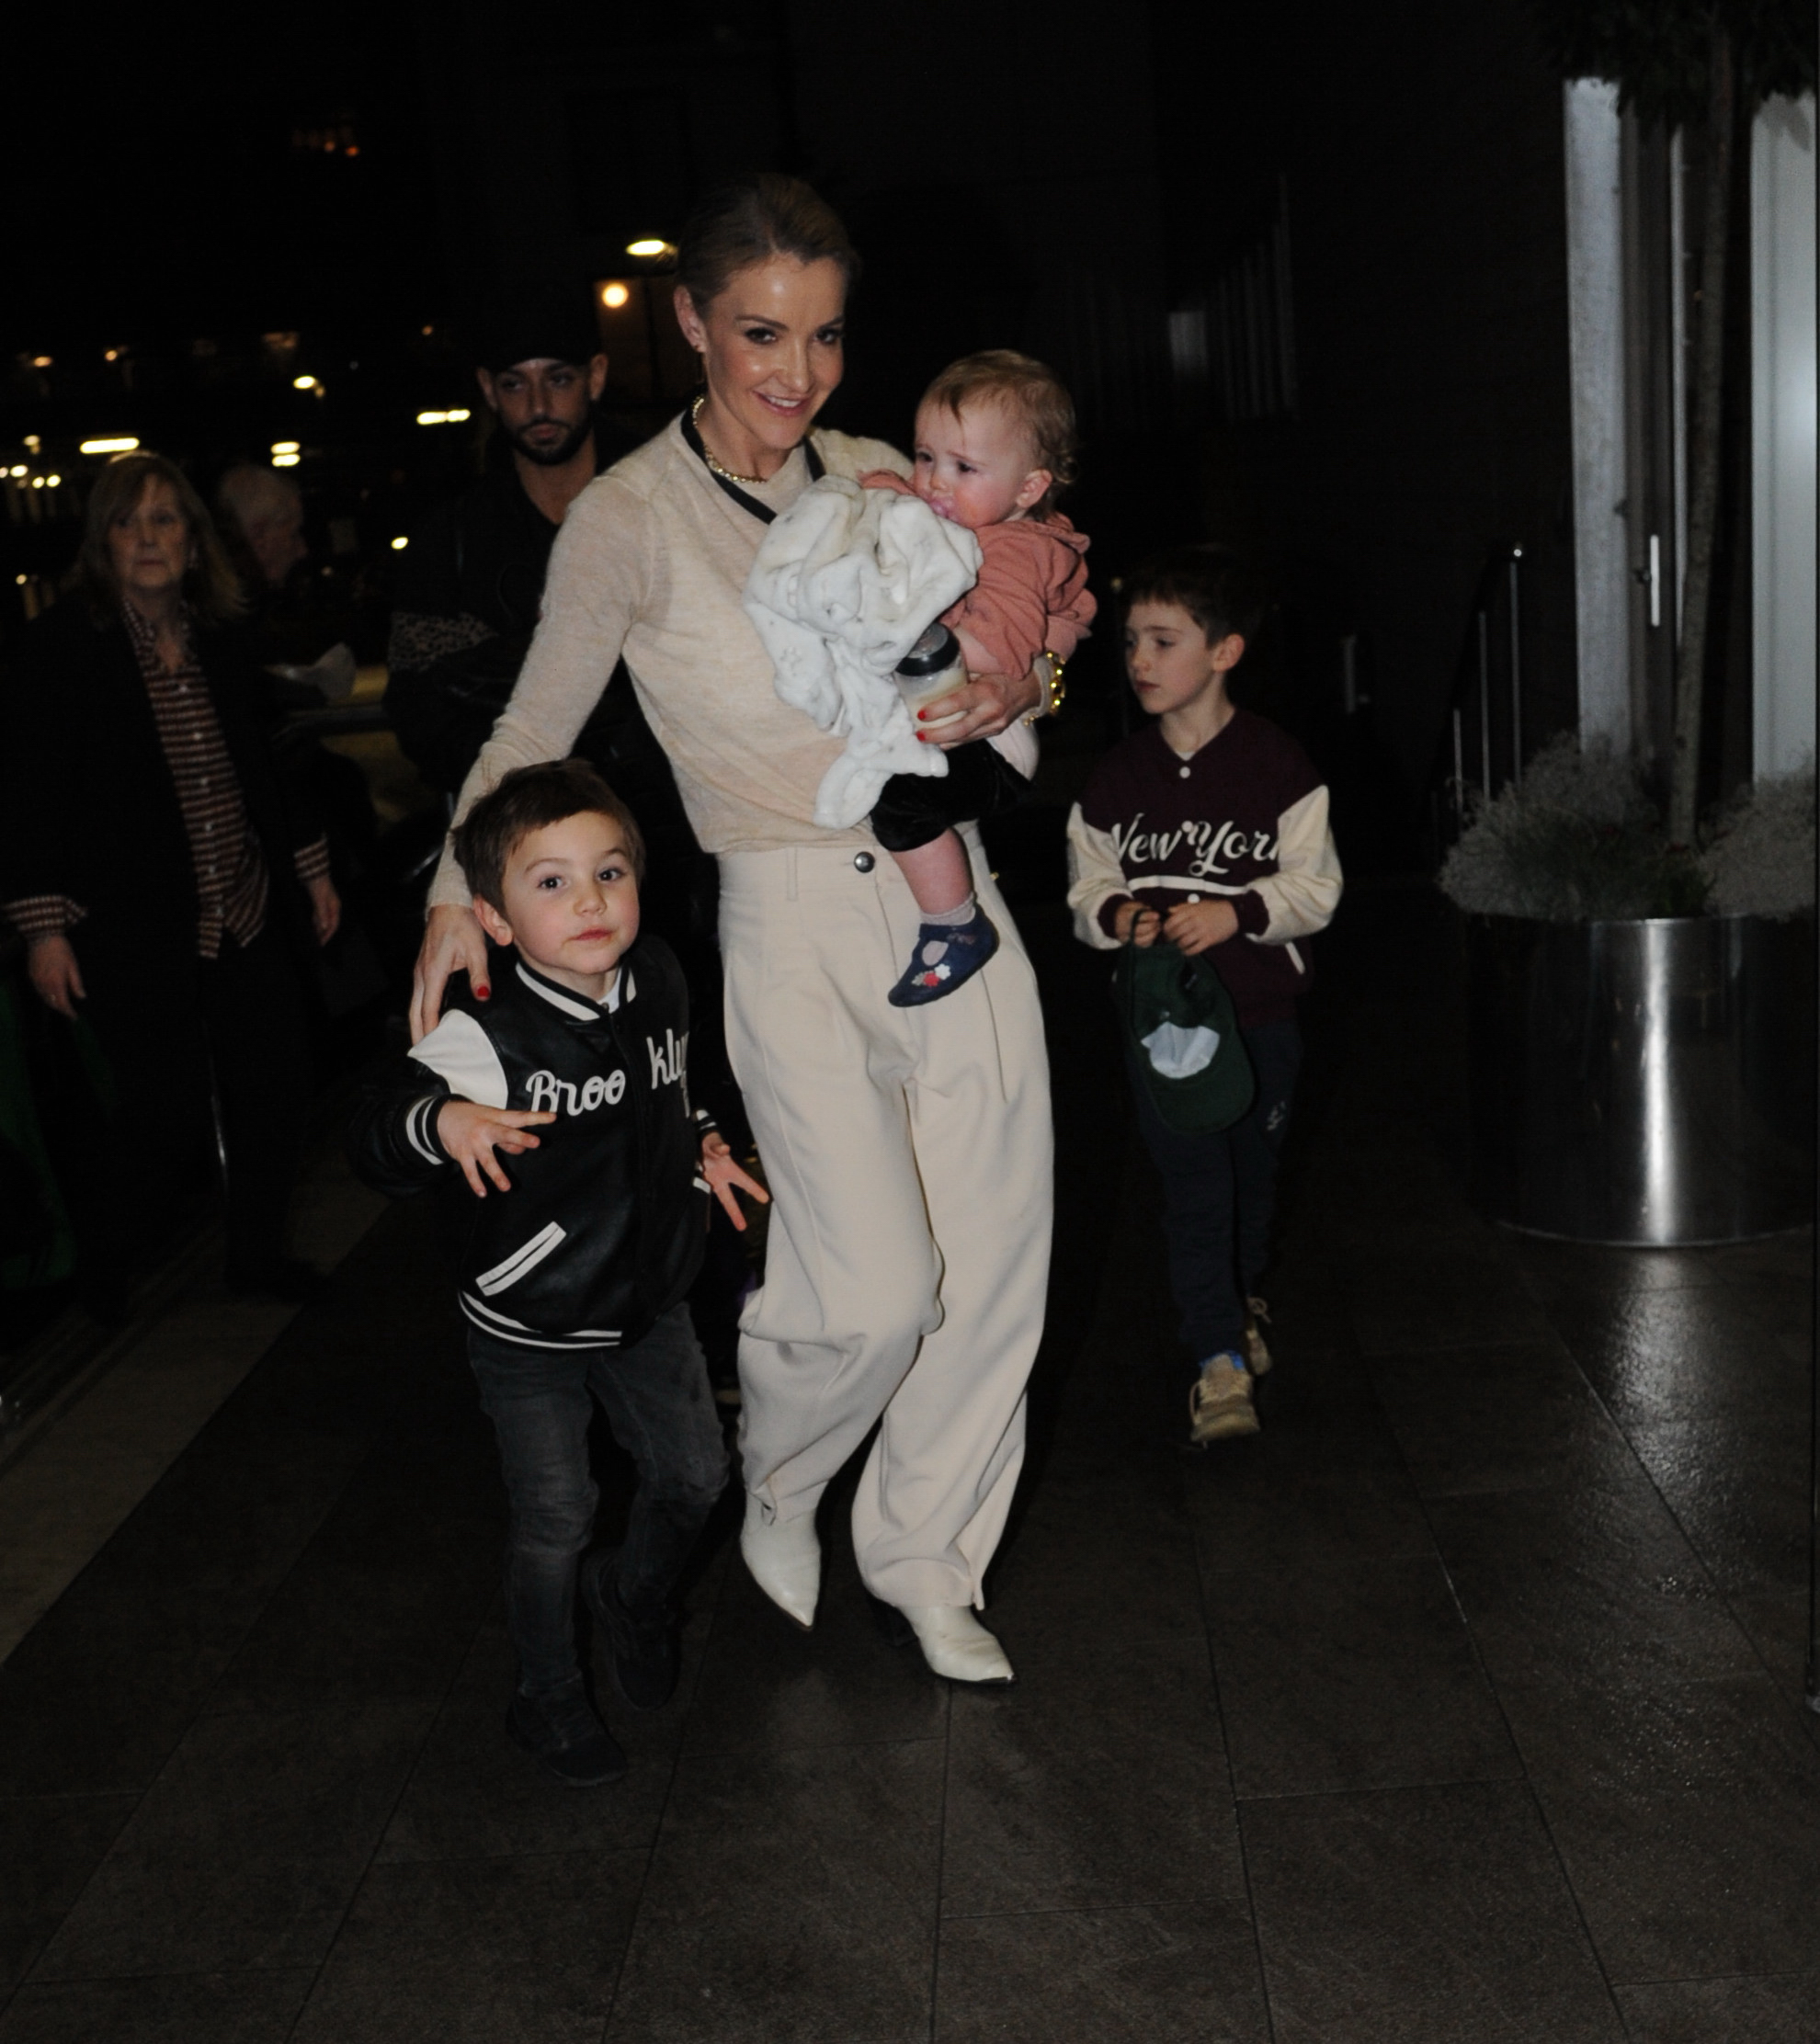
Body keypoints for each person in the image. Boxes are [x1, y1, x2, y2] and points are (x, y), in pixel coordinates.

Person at [411, 173, 1054, 1687]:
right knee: (879, 1286)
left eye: (825, 335)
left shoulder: (888, 471)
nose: (798, 369)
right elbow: (533, 725)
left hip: (946, 886)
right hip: (783, 907)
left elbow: (1018, 615)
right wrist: (452, 885)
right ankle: (783, 1465)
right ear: (692, 322)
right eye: (763, 331)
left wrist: (1019, 685)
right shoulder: (628, 519)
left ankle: (926, 1557)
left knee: (994, 1263)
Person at [348, 760, 761, 1784]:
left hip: (647, 1297)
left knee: (699, 1476)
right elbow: (377, 1131)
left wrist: (704, 1142)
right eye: (551, 882)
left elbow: (678, 1088)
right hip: (528, 1319)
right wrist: (444, 1120)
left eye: (609, 873)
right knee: (557, 1515)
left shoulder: (659, 977)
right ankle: (546, 1695)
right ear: (492, 919)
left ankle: (634, 1595)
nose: (590, 901)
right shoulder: (486, 1032)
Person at [0, 452, 341, 1308]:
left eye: (165, 519)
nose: (148, 538)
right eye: (127, 522)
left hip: (244, 902)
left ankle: (257, 1258)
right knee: (162, 1109)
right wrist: (44, 930)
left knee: (276, 1084)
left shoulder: (221, 634)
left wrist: (311, 869)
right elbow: (30, 795)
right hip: (135, 921)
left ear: (194, 541)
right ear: (102, 544)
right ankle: (108, 1264)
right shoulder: (61, 648)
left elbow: (267, 763)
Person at [1065, 546, 1342, 1446]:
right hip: (1164, 1027)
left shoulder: (1279, 766)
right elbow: (1086, 885)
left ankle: (1239, 1294)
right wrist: (1117, 915)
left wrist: (1239, 913)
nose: (1139, 660)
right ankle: (1217, 1358)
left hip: (1261, 1019)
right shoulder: (1116, 777)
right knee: (1193, 1187)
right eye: (1131, 641)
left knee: (1252, 1180)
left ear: (1224, 652)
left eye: (1163, 640)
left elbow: (1316, 888)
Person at [859, 350, 1093, 1005]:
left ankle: (954, 924)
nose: (935, 481)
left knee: (897, 798)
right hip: (954, 719)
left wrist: (901, 643)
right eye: (924, 456)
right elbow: (890, 493)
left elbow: (997, 646)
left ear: (1029, 489)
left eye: (963, 467)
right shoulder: (960, 515)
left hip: (995, 744)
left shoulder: (1017, 550)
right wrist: (880, 493)